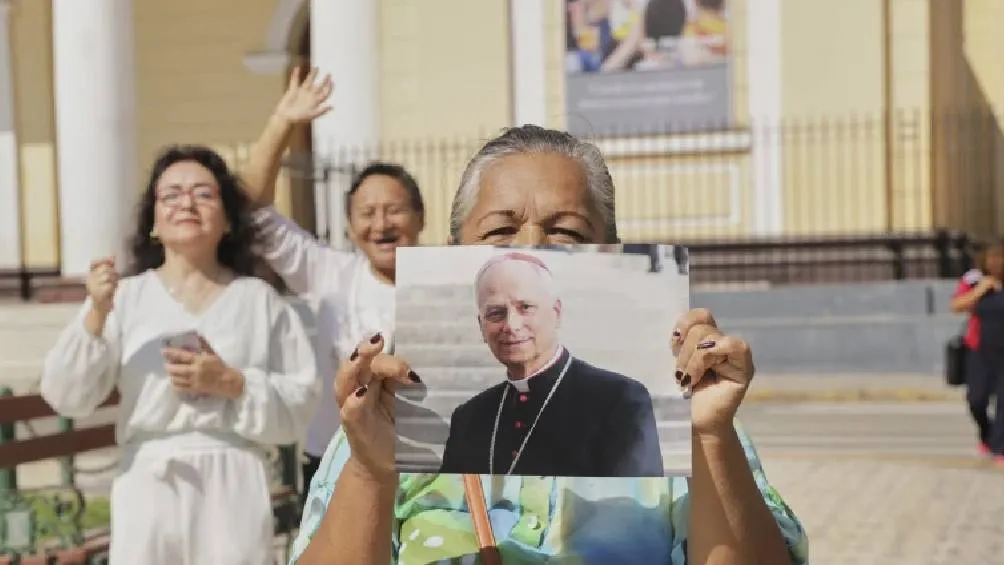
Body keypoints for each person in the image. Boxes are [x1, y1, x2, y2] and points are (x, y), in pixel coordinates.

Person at [290, 124, 808, 564]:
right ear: (452, 258)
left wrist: (710, 439)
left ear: (610, 256)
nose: (532, 246)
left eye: (566, 232)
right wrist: (371, 469)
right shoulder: (393, 418)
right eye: (500, 230)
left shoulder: (667, 414)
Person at [40, 145, 321, 564]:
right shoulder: (124, 298)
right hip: (148, 484)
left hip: (233, 482)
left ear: (227, 220)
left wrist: (233, 384)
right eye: (170, 194)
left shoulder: (259, 301)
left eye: (204, 194)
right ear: (153, 221)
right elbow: (65, 395)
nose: (186, 202)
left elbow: (303, 401)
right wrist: (96, 314)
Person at [241, 67, 427, 504]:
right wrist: (283, 123)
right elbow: (253, 212)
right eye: (367, 212)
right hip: (334, 463)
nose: (381, 224)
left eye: (394, 210)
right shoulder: (328, 273)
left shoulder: (450, 280)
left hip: (425, 470)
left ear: (420, 218)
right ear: (349, 224)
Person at [439, 251, 663, 477]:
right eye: (496, 313)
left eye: (525, 307)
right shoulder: (468, 418)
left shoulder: (619, 402)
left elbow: (635, 504)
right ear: (481, 326)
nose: (511, 325)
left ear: (556, 313)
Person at [951, 239, 1004, 463]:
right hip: (979, 350)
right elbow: (956, 306)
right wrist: (981, 290)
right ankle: (987, 435)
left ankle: (1000, 448)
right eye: (992, 258)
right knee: (976, 399)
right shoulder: (974, 280)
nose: (996, 262)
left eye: (1000, 257)